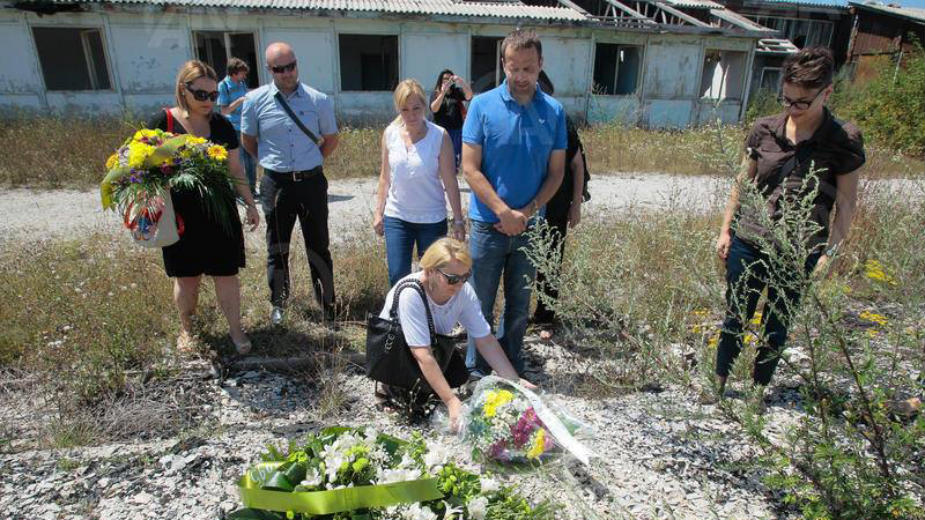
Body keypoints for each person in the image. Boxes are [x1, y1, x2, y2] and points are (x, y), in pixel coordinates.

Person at [709, 46, 865, 406]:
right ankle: (718, 384)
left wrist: (830, 253)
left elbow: (846, 202)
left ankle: (758, 391)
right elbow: (742, 183)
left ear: (826, 93)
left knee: (776, 324)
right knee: (736, 315)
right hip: (750, 239)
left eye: (802, 102)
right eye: (787, 99)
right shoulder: (764, 129)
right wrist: (725, 229)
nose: (793, 108)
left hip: (799, 250)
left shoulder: (844, 139)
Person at [462, 29, 567, 378]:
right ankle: (477, 371)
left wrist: (526, 212)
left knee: (519, 305)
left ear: (541, 65)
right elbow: (470, 168)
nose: (521, 76)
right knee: (480, 304)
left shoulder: (554, 112)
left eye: (528, 68)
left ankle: (511, 370)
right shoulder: (481, 106)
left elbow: (556, 173)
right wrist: (502, 211)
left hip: (530, 228)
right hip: (487, 225)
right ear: (503, 64)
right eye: (514, 68)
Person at [148, 60, 260, 354]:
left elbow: (235, 169)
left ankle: (236, 330)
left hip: (219, 212)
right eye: (201, 94)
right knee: (187, 278)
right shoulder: (162, 124)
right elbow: (142, 166)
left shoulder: (221, 125)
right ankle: (187, 330)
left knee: (226, 274)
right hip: (180, 215)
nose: (208, 101)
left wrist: (250, 204)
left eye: (213, 95)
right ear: (183, 90)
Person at [379, 238, 536, 428]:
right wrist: (451, 401)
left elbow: (485, 339)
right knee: (419, 404)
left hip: (429, 346)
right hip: (397, 355)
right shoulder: (411, 293)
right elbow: (422, 354)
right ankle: (389, 389)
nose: (460, 284)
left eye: (465, 276)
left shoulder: (463, 291)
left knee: (458, 375)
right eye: (452, 278)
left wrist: (513, 381)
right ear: (430, 271)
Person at [241, 42, 340, 325]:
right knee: (277, 246)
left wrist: (310, 162)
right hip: (276, 184)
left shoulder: (318, 100)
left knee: (318, 245)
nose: (286, 73)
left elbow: (331, 139)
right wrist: (273, 164)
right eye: (279, 69)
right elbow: (248, 140)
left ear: (297, 64)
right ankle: (279, 304)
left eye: (291, 66)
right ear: (269, 70)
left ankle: (327, 304)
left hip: (311, 183)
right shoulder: (254, 101)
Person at [373, 79, 465, 287]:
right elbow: (385, 177)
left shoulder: (439, 136)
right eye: (405, 109)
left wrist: (458, 220)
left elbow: (450, 182)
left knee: (432, 279)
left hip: (431, 219)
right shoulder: (390, 134)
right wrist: (379, 212)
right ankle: (400, 309)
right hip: (397, 218)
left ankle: (427, 309)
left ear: (425, 106)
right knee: (398, 278)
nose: (411, 115)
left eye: (416, 108)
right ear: (398, 109)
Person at [532, 71, 589, 340]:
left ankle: (545, 317)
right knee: (524, 260)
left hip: (556, 203)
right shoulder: (517, 119)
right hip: (526, 204)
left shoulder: (560, 119)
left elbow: (578, 165)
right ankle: (518, 316)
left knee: (550, 260)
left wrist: (576, 205)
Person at [217, 57, 256, 195]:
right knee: (236, 161)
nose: (244, 76)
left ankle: (251, 189)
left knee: (250, 159)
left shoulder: (242, 83)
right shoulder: (223, 86)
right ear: (234, 73)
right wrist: (240, 101)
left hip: (246, 125)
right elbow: (224, 111)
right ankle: (238, 191)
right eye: (242, 73)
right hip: (233, 128)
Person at [430, 69, 473, 169]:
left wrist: (460, 81)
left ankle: (452, 175)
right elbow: (434, 109)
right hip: (440, 132)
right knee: (440, 159)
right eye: (445, 79)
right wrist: (442, 93)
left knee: (453, 160)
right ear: (440, 80)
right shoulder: (436, 93)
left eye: (449, 79)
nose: (447, 81)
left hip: (455, 131)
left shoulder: (456, 92)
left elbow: (469, 96)